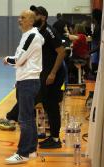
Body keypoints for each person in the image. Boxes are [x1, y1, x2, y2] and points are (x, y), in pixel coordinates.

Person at [3, 10, 44, 164]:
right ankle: (32, 149)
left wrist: (7, 59)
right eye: (19, 17)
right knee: (29, 117)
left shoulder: (32, 36)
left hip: (28, 82)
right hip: (26, 81)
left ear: (31, 21)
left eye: (24, 18)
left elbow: (19, 60)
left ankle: (23, 153)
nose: (19, 20)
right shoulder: (29, 35)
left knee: (24, 119)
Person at [30, 5, 66, 149]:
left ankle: (56, 139)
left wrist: (52, 73)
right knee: (47, 104)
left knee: (52, 106)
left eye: (35, 15)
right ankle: (52, 137)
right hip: (45, 73)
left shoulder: (49, 31)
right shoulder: (39, 31)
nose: (33, 18)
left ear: (43, 17)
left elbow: (61, 52)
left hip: (54, 74)